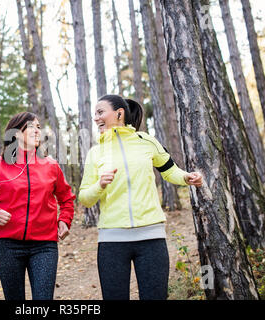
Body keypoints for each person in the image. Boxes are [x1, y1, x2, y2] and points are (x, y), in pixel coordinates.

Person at [79, 94, 203, 300]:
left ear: (119, 113)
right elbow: (85, 198)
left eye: (100, 112)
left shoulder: (146, 141)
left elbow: (170, 170)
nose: (95, 118)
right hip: (112, 240)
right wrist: (99, 185)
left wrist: (187, 177)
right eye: (95, 114)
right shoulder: (95, 152)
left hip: (151, 237)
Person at [0, 112, 76, 300]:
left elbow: (67, 199)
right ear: (16, 133)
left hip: (44, 245)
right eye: (31, 127)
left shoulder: (51, 166)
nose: (37, 131)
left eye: (39, 127)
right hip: (6, 245)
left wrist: (64, 220)